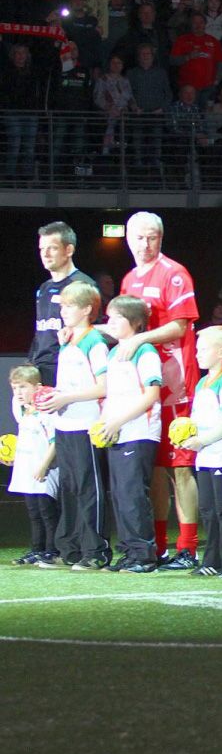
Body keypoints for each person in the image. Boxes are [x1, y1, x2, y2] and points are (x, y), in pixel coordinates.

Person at [118, 212, 200, 571]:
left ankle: (188, 546)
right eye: (138, 237)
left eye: (152, 237)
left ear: (161, 239)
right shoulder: (128, 279)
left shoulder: (174, 273)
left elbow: (181, 326)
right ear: (127, 238)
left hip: (176, 381)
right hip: (143, 383)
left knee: (180, 467)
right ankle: (159, 545)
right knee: (154, 468)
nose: (145, 244)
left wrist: (140, 338)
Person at [36, 282, 109, 571]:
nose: (62, 310)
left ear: (87, 309)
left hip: (85, 424)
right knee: (69, 488)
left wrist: (66, 397)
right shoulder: (67, 341)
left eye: (69, 306)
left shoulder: (94, 343)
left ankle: (96, 551)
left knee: (88, 488)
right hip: (65, 423)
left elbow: (103, 387)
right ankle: (70, 549)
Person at [94, 295, 163, 574]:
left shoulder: (145, 351)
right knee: (121, 495)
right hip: (116, 432)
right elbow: (112, 395)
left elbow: (151, 394)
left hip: (139, 431)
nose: (110, 323)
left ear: (135, 323)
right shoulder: (113, 353)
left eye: (116, 318)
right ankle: (128, 552)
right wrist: (105, 422)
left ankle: (144, 555)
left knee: (134, 494)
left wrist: (118, 421)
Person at [178, 326, 222, 577]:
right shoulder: (202, 383)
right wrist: (187, 436)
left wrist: (201, 440)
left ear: (220, 352)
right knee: (208, 509)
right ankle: (213, 560)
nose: (197, 354)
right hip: (205, 455)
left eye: (203, 349)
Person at [28, 221, 96, 386]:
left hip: (68, 371)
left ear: (69, 250)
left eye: (52, 248)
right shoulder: (44, 288)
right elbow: (40, 333)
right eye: (42, 249)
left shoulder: (83, 285)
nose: (45, 254)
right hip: (40, 371)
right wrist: (29, 366)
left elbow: (95, 331)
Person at [7, 364, 59, 567]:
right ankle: (37, 550)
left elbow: (55, 442)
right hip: (26, 470)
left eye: (23, 387)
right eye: (14, 388)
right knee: (34, 512)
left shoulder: (47, 413)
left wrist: (43, 465)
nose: (18, 393)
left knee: (47, 511)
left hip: (43, 471)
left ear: (37, 387)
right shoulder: (22, 411)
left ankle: (51, 550)